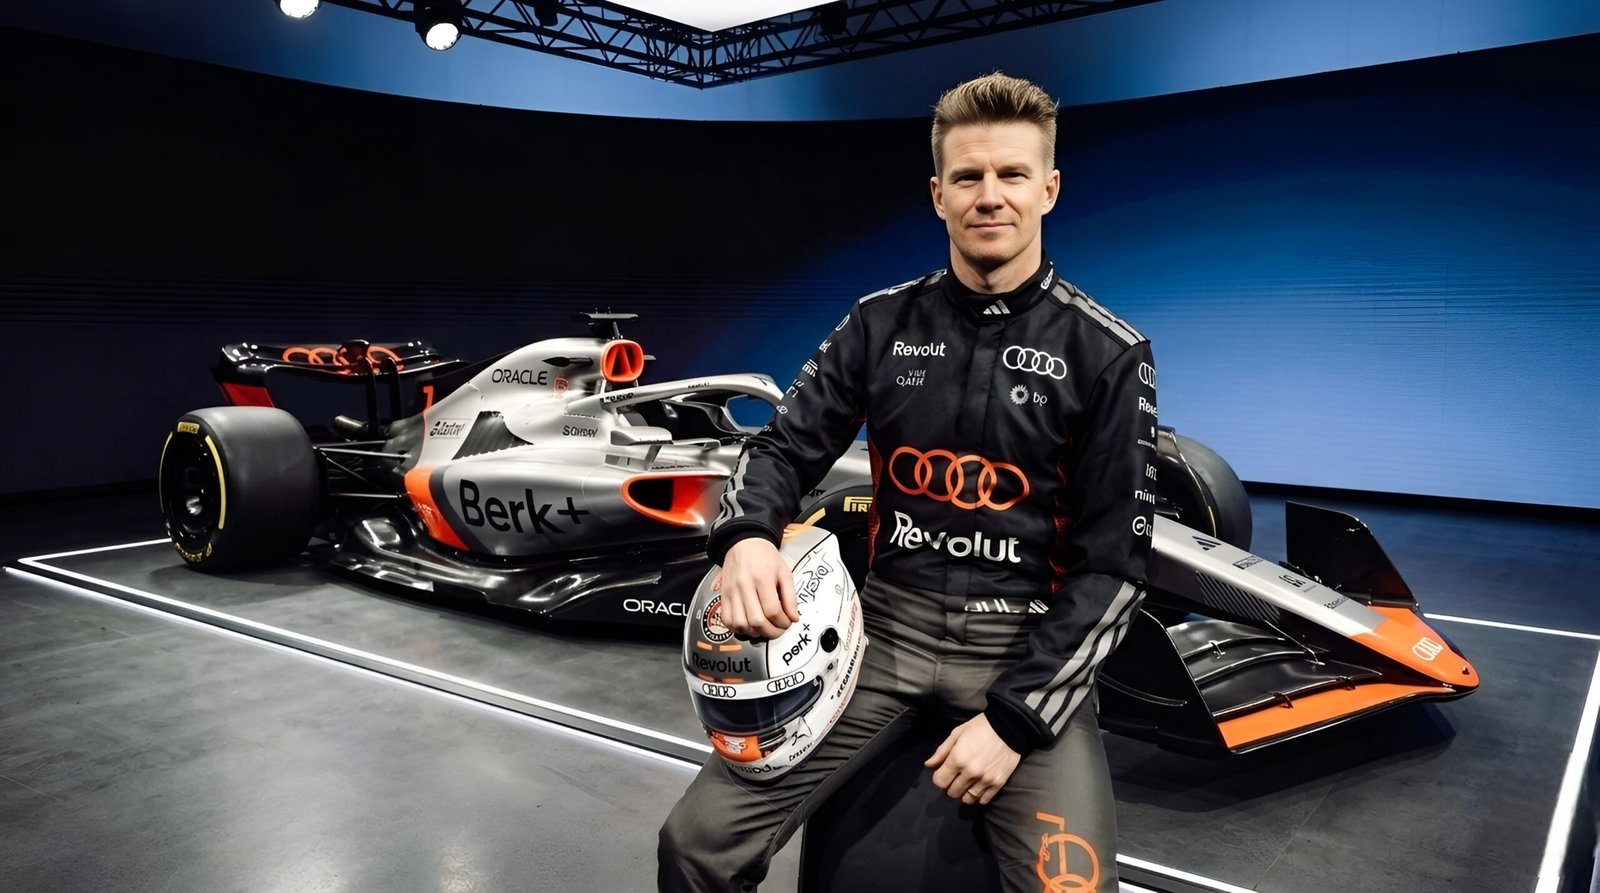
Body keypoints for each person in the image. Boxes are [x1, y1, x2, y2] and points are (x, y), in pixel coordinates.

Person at [659, 71, 1157, 893]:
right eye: (968, 176)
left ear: (1049, 189)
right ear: (938, 195)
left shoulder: (1108, 353)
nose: (989, 195)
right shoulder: (879, 323)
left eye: (1012, 174)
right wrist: (746, 537)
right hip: (883, 634)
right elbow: (781, 447)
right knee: (696, 843)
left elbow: (1115, 568)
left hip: (1024, 649)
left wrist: (1015, 723)